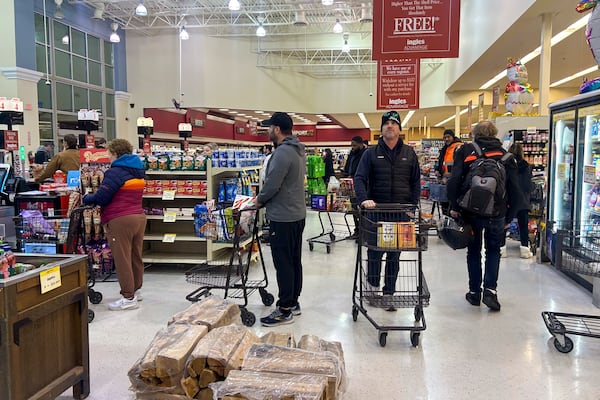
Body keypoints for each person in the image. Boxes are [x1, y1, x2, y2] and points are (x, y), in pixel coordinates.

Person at [447, 121, 521, 311]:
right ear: (495, 133)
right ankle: (490, 291)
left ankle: (474, 293)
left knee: (473, 251)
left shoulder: (466, 151)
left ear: (475, 133)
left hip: (470, 211)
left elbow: (454, 179)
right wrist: (509, 217)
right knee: (493, 251)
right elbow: (516, 192)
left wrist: (454, 206)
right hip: (497, 212)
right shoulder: (507, 156)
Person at [354, 110, 421, 310]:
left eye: (394, 123)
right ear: (381, 129)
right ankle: (373, 290)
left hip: (400, 214)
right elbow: (359, 178)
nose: (390, 126)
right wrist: (364, 199)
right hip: (377, 214)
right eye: (386, 123)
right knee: (375, 254)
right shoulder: (370, 153)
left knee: (394, 256)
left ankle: (389, 294)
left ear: (399, 129)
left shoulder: (409, 153)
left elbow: (416, 181)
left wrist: (413, 205)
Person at [83, 139, 146, 311]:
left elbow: (103, 197)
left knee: (122, 258)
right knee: (135, 255)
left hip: (120, 219)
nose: (108, 156)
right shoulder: (138, 169)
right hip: (138, 217)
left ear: (116, 153)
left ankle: (128, 297)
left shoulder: (116, 172)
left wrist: (87, 198)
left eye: (109, 153)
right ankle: (136, 290)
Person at [255, 112, 306, 327]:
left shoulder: (282, 153)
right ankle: (293, 301)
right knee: (294, 260)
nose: (267, 131)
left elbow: (272, 185)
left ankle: (284, 309)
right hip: (296, 214)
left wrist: (258, 201)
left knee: (283, 262)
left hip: (283, 217)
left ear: (276, 129)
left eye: (269, 128)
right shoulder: (297, 150)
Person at [506, 142, 534, 259]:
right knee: (523, 226)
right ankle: (524, 250)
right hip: (522, 199)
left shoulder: (506, 165)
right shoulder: (526, 166)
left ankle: (502, 249)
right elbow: (528, 185)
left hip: (509, 199)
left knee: (505, 224)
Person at [342, 136, 367, 239]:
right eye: (351, 145)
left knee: (362, 211)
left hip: (362, 186)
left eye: (355, 145)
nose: (353, 147)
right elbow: (348, 166)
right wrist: (346, 173)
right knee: (353, 210)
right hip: (351, 186)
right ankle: (356, 231)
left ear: (361, 144)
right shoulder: (352, 154)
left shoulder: (365, 154)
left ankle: (363, 233)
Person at [435, 129, 462, 214]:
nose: (446, 139)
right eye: (444, 137)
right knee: (444, 203)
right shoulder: (445, 148)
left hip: (454, 181)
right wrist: (438, 170)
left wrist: (449, 177)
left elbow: (458, 166)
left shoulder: (458, 147)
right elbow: (442, 161)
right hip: (445, 179)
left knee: (451, 205)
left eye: (448, 137)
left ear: (453, 137)